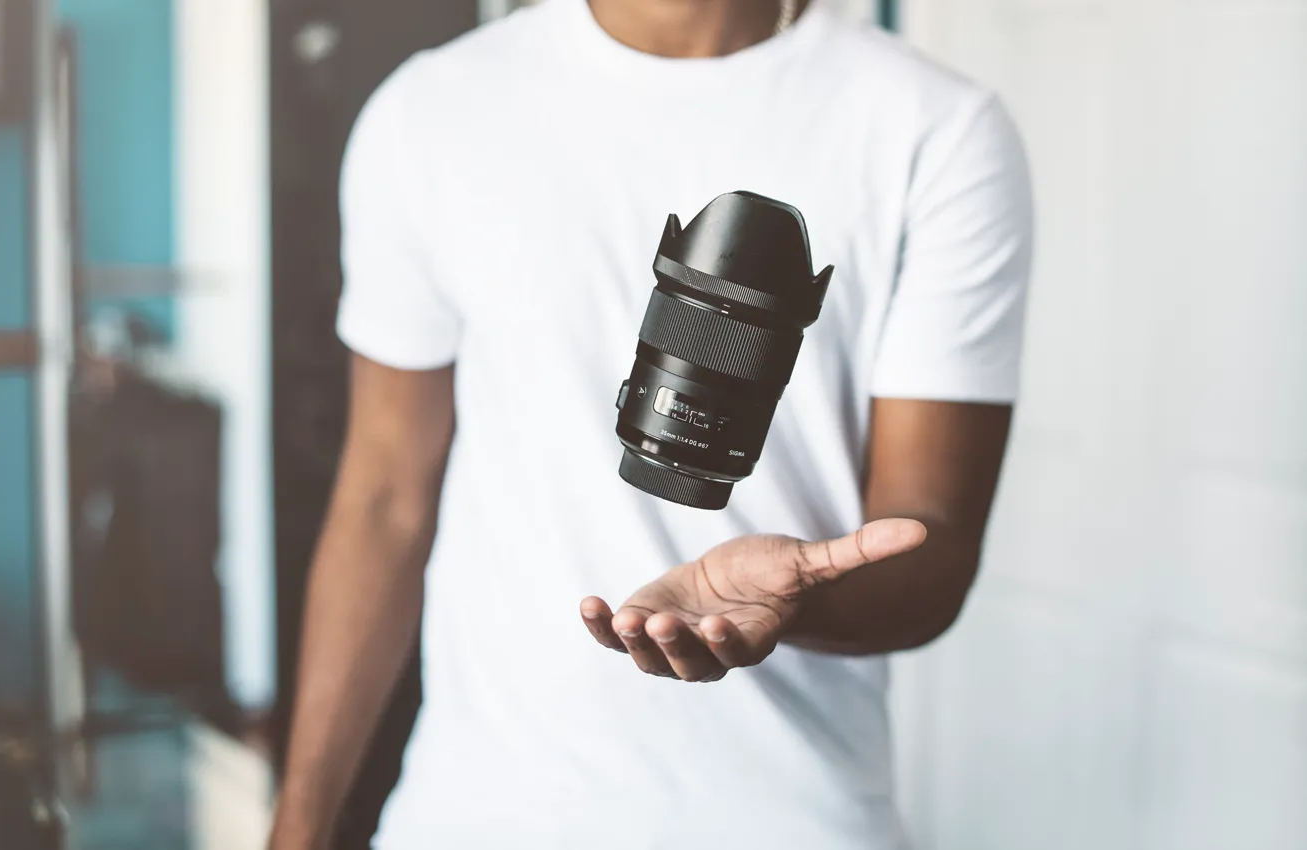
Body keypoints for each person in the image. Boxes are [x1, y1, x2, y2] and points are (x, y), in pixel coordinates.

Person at [270, 0, 1032, 846]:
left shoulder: (937, 130)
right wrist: (298, 825)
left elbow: (930, 547)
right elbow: (383, 497)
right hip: (474, 811)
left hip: (790, 820)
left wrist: (792, 604)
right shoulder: (431, 112)